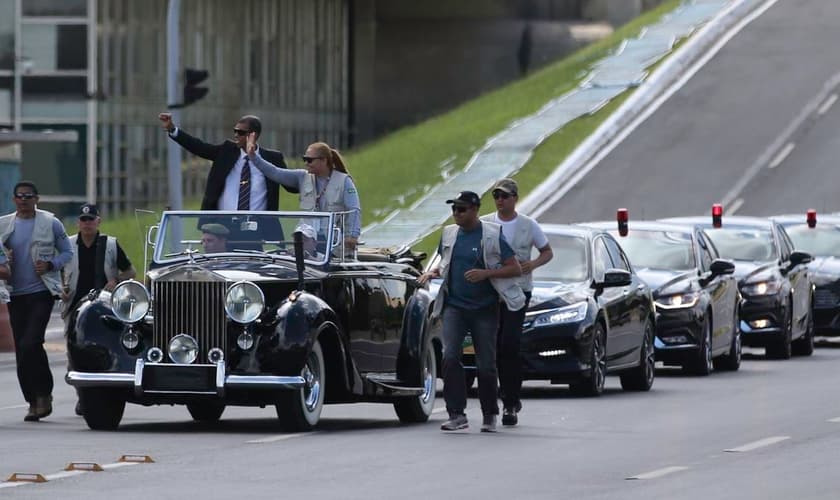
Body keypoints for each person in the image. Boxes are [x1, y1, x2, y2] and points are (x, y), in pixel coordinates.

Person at [418, 191, 523, 433]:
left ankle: (489, 414)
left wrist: (486, 274)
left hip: (484, 309)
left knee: (485, 363)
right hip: (455, 306)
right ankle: (456, 414)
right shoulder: (449, 233)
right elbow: (445, 262)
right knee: (450, 356)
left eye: (462, 209)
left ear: (475, 210)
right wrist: (432, 273)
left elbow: (514, 268)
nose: (456, 214)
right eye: (454, 209)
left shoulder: (492, 235)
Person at [480, 178, 553, 426]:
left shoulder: (528, 225)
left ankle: (511, 400)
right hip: (491, 291)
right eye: (496, 196)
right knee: (493, 345)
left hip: (518, 291)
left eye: (505, 196)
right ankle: (496, 398)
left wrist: (532, 264)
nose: (500, 201)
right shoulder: (486, 223)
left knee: (510, 344)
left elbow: (547, 251)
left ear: (515, 199)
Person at [0, 181, 73, 422]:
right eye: (19, 196)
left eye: (28, 196)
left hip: (41, 292)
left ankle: (45, 393)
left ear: (36, 198)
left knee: (32, 342)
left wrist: (51, 264)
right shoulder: (4, 225)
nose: (23, 200)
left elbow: (67, 253)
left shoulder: (50, 223)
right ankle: (33, 400)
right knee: (23, 349)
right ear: (14, 200)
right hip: (14, 294)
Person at [61, 203, 136, 416]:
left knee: (99, 349)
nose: (87, 224)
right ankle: (82, 396)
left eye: (91, 220)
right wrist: (61, 288)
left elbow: (130, 271)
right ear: (78, 223)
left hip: (102, 305)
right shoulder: (68, 244)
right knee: (74, 352)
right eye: (83, 220)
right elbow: (57, 269)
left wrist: (116, 280)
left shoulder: (110, 244)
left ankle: (92, 398)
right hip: (74, 305)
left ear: (98, 221)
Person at [158, 112, 295, 211]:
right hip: (223, 227)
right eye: (235, 131)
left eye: (241, 132)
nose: (236, 135)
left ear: (254, 135)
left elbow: (292, 186)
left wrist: (309, 180)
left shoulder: (272, 158)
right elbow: (199, 147)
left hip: (258, 228)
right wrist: (172, 129)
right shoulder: (226, 151)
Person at [246, 136, 362, 250]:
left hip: (333, 244)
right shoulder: (302, 176)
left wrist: (352, 236)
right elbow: (275, 172)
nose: (306, 163)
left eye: (310, 160)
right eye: (304, 159)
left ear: (323, 160)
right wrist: (253, 156)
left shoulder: (344, 181)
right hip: (307, 242)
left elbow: (354, 209)